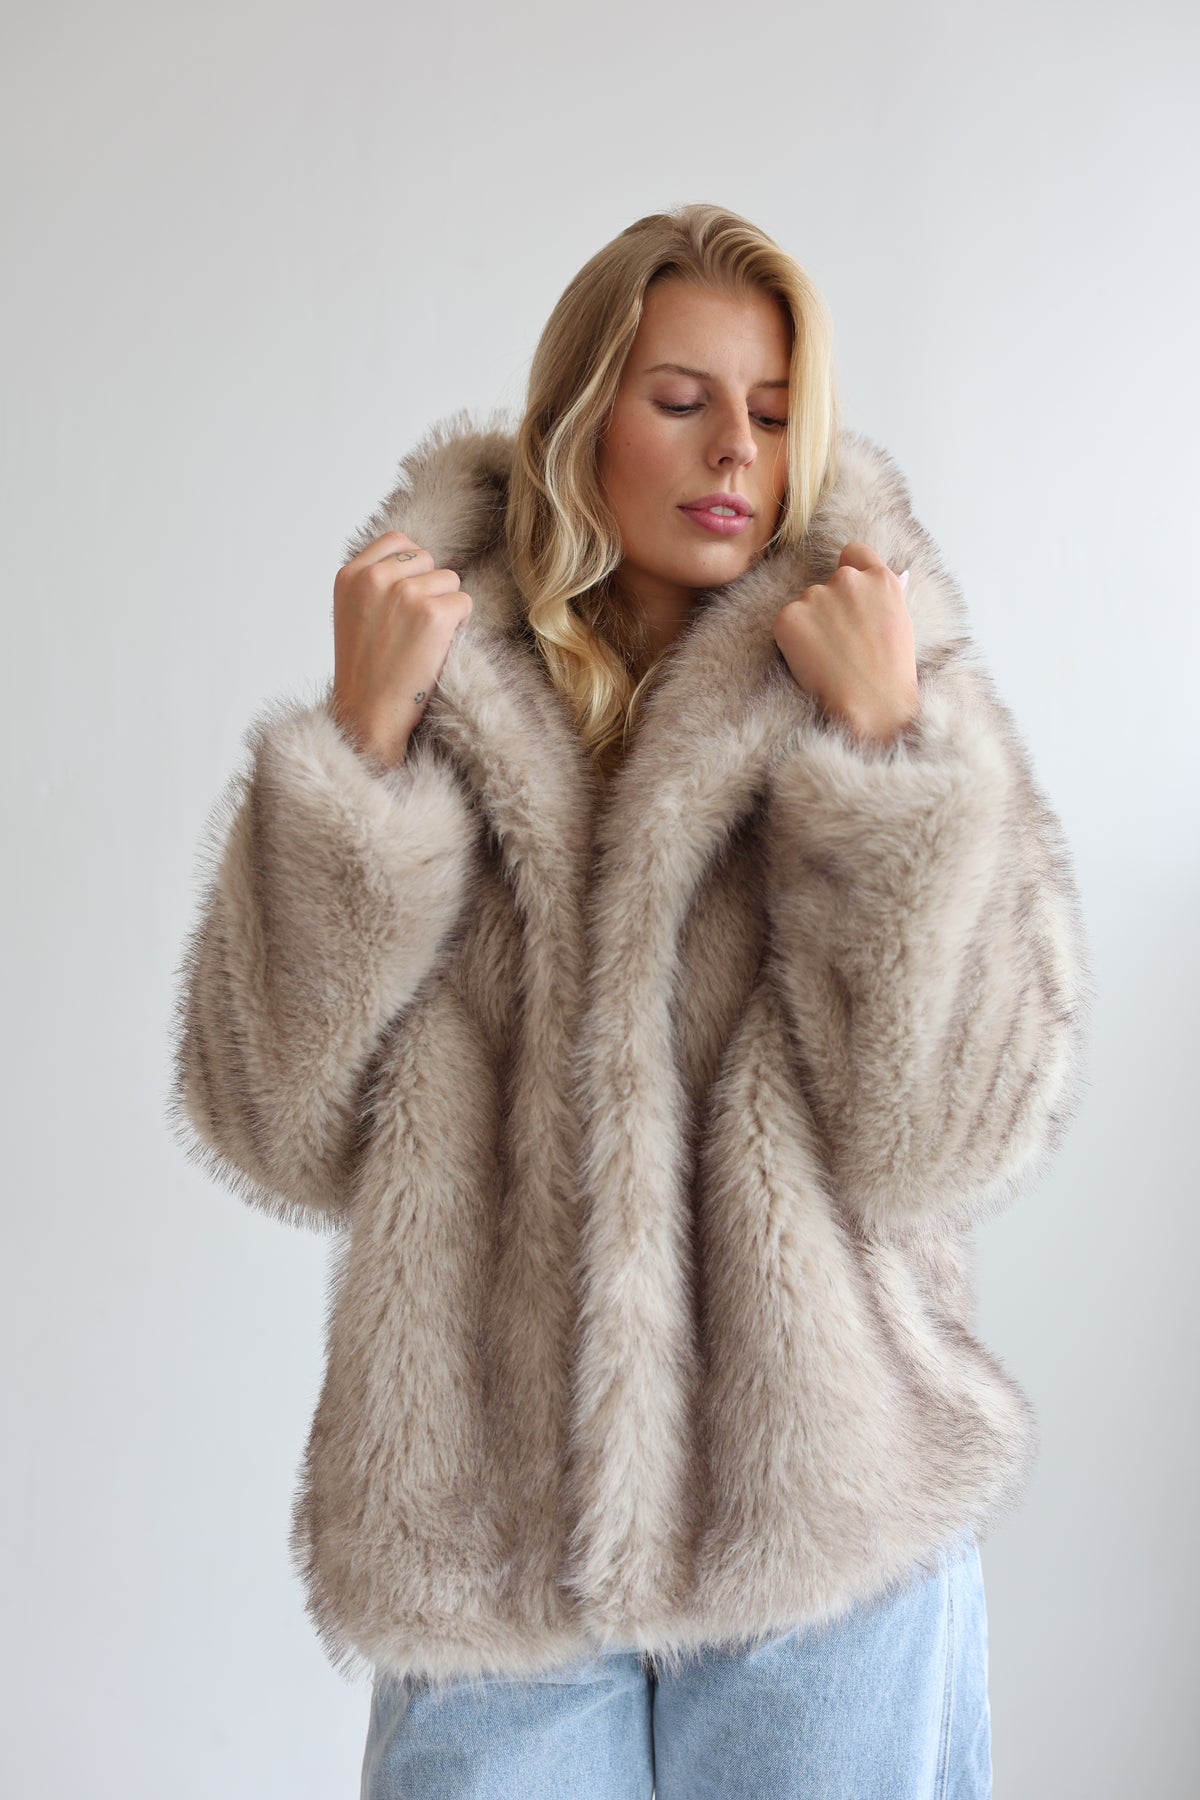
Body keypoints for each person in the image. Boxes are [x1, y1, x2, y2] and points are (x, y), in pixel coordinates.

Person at [167, 203, 1092, 1797]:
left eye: (777, 412)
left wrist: (888, 766)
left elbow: (947, 1138)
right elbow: (268, 1123)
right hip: (487, 1545)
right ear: (582, 417)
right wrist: (359, 758)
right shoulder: (431, 692)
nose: (737, 447)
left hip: (823, 1527)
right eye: (682, 399)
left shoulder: (890, 678)